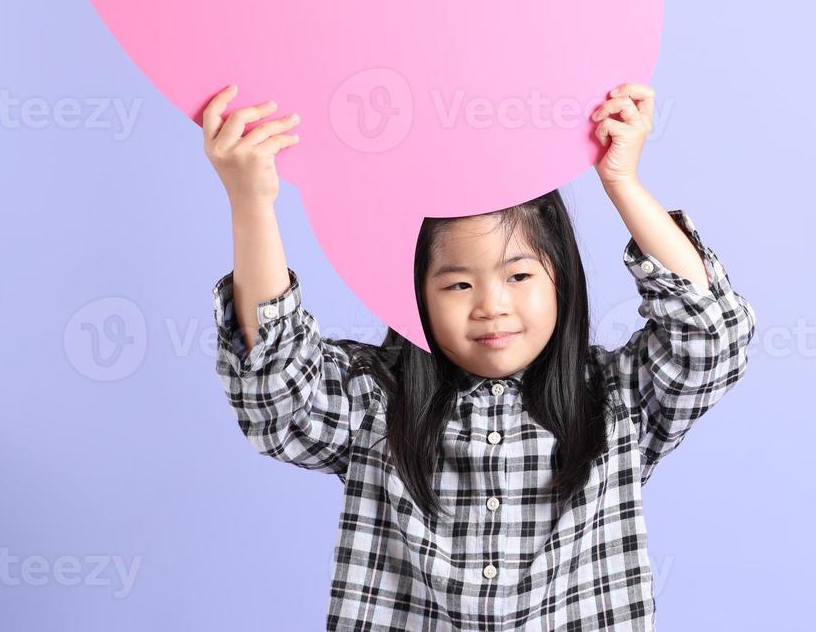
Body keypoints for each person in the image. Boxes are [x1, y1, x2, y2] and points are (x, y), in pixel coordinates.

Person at [202, 81, 755, 630]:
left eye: (519, 275)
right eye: (458, 285)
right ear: (414, 295)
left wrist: (622, 181)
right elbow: (275, 394)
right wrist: (251, 202)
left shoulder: (619, 402)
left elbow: (712, 334)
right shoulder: (374, 403)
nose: (492, 306)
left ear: (560, 278)